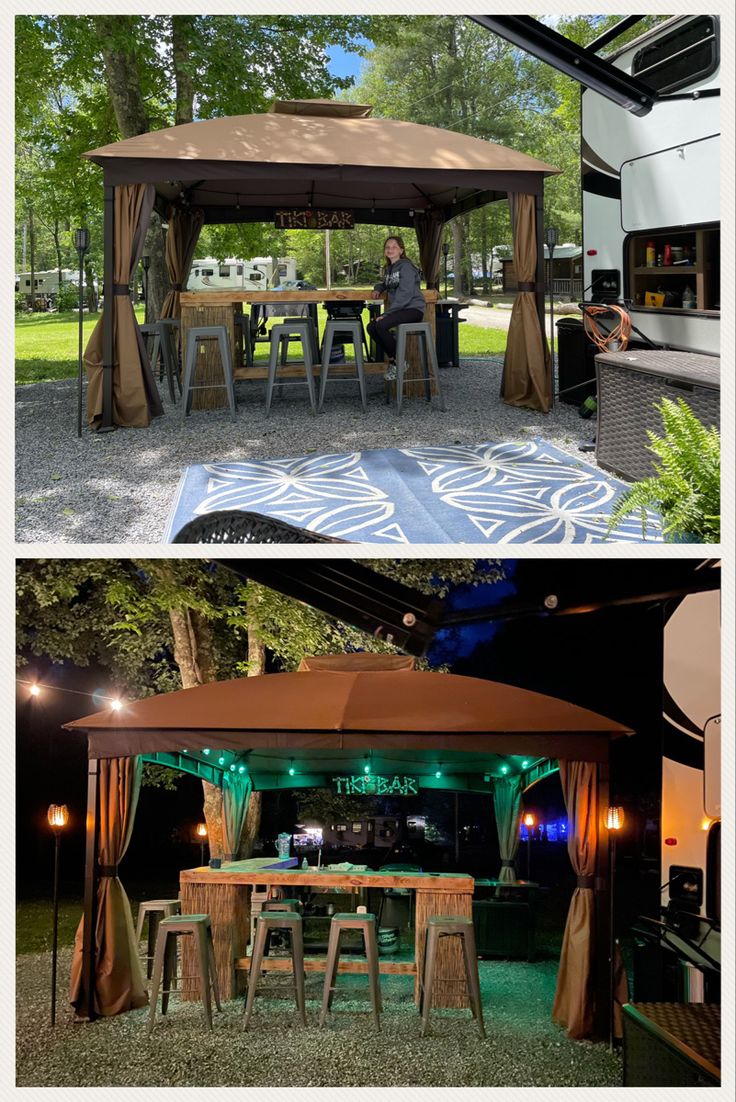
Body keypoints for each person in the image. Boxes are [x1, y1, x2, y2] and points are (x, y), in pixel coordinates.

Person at [368, 236, 425, 380]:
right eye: (387, 247)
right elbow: (386, 283)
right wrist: (378, 288)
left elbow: (405, 293)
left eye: (394, 247)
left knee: (380, 325)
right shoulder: (389, 269)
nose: (390, 249)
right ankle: (396, 361)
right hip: (401, 310)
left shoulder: (406, 266)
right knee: (371, 327)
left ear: (401, 250)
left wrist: (387, 314)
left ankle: (398, 362)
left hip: (413, 309)